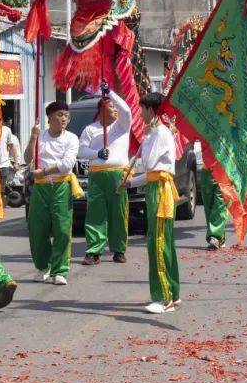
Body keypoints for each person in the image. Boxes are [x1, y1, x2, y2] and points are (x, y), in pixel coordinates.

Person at [122, 92, 180, 314]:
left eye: (142, 109)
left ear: (151, 110)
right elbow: (150, 173)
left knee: (157, 243)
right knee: (164, 242)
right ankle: (172, 292)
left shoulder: (160, 133)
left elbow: (148, 164)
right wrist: (129, 183)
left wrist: (147, 138)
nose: (140, 114)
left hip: (161, 190)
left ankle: (163, 297)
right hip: (155, 186)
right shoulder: (156, 133)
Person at [24, 100, 81, 285]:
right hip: (40, 188)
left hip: (61, 186)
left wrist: (44, 172)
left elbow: (66, 165)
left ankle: (60, 270)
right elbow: (27, 159)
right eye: (59, 115)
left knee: (61, 228)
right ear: (50, 118)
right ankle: (43, 267)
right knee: (37, 230)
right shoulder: (40, 136)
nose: (64, 119)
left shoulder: (71, 138)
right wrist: (33, 137)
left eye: (66, 115)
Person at [77, 85, 132, 264]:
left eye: (115, 107)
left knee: (119, 212)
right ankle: (94, 250)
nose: (116, 109)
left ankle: (118, 249)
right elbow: (81, 150)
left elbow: (126, 109)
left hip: (117, 174)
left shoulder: (122, 125)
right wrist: (97, 153)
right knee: (96, 213)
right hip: (97, 175)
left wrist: (110, 93)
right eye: (111, 106)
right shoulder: (90, 129)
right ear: (101, 108)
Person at [195, 142, 229, 250]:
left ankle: (214, 236)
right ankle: (220, 237)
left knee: (220, 204)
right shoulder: (205, 126)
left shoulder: (231, 125)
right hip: (207, 169)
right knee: (209, 206)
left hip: (224, 169)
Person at [0, 116, 21, 198]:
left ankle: (1, 199)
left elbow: (12, 146)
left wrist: (16, 162)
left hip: (4, 163)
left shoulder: (6, 130)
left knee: (2, 186)